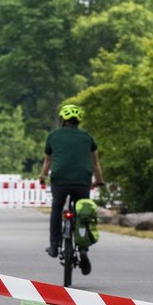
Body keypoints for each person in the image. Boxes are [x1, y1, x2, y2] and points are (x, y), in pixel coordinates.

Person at [39, 103, 104, 268]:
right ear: (78, 121)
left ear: (62, 120)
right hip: (82, 181)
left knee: (57, 208)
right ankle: (83, 249)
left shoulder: (53, 136)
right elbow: (95, 162)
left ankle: (54, 245)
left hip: (60, 180)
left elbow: (48, 161)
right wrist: (99, 180)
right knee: (83, 212)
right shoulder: (87, 137)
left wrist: (42, 176)